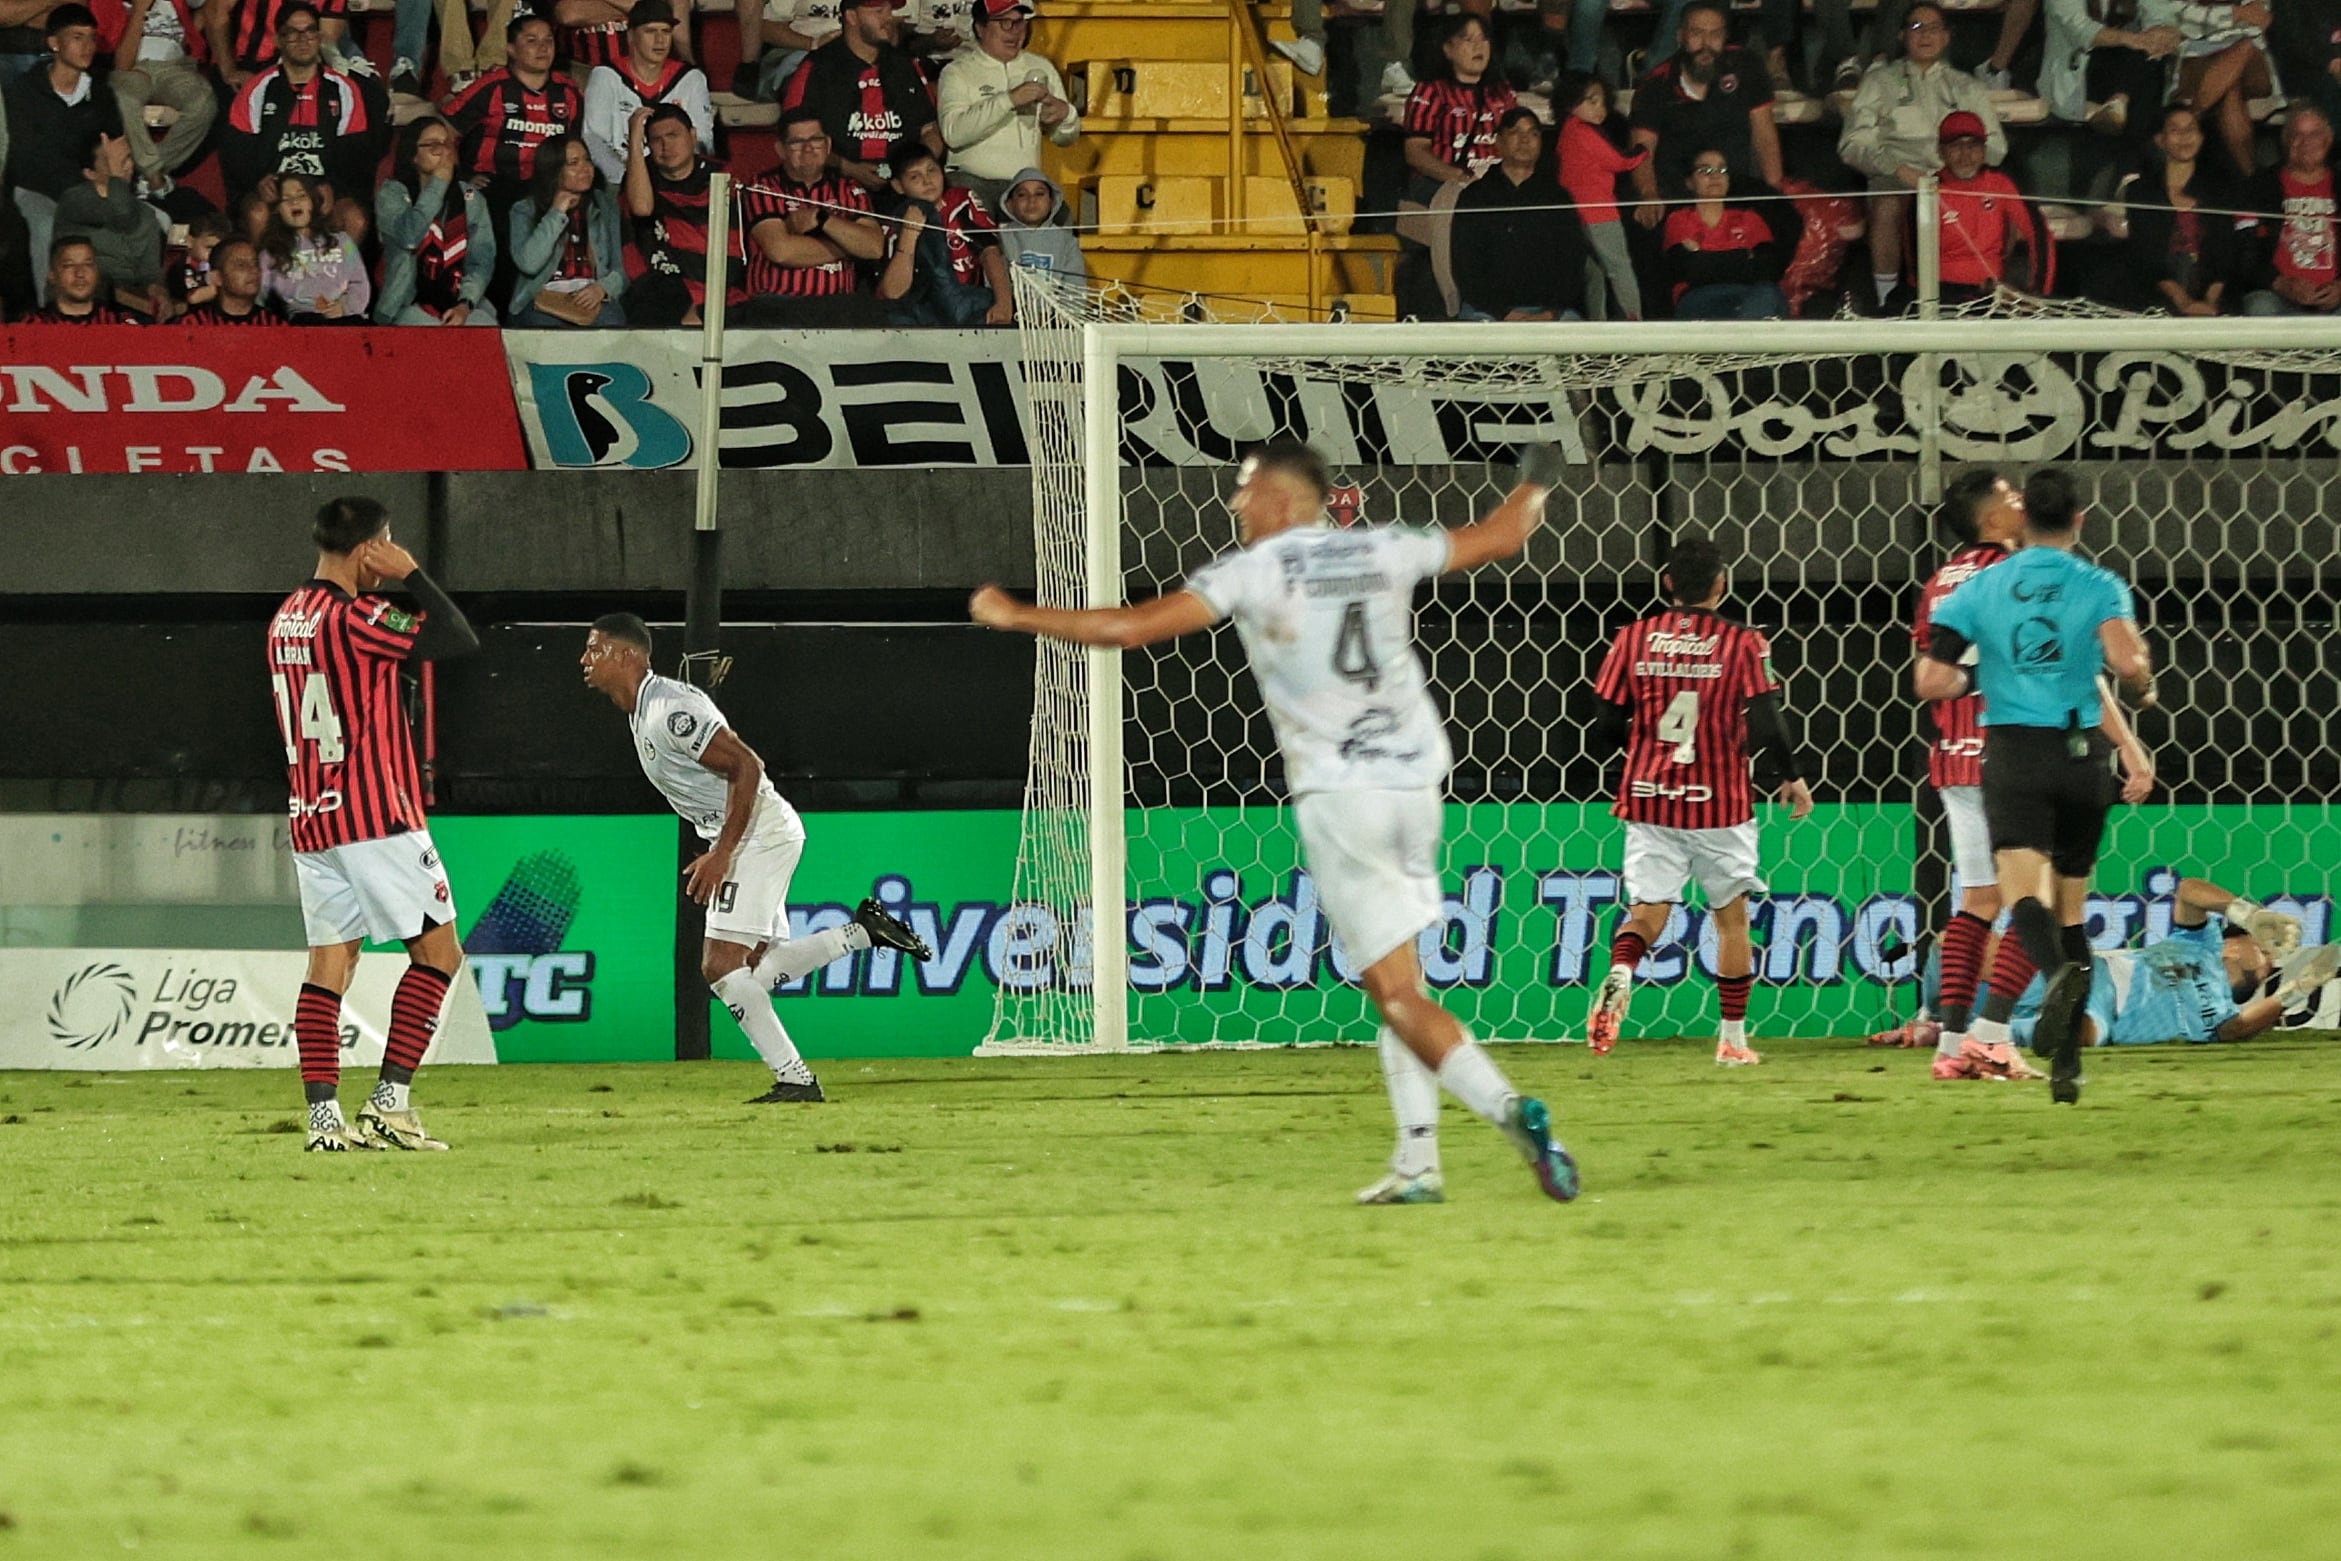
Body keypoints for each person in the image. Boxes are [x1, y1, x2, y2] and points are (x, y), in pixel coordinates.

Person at [969, 439, 1582, 1207]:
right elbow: (1501, 536)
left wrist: (1017, 613)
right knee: (1405, 978)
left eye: (1244, 489)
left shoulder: (1255, 570)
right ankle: (1417, 1161)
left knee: (1392, 991)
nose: (1234, 503)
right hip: (1416, 780)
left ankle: (1508, 1109)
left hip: (1341, 793)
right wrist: (1535, 482)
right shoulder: (1383, 547)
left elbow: (1131, 629)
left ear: (1286, 501)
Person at [580, 613, 934, 1105]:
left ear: (627, 656)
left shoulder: (667, 711)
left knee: (720, 966)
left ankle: (796, 1079)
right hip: (756, 831)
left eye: (595, 649)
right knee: (756, 970)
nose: (585, 659)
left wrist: (723, 853)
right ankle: (862, 934)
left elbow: (747, 765)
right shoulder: (644, 711)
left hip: (757, 834)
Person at [1915, 466, 2155, 1104]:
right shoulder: (2088, 583)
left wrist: (1979, 677)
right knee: (2058, 908)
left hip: (1993, 755)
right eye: (2006, 497)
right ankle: (2029, 1050)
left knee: (1995, 901)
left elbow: (1932, 677)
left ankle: (1968, 1032)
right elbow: (2117, 665)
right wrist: (2133, 725)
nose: (2015, 502)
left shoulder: (1960, 586)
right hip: (2060, 751)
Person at [267, 496, 480, 1152]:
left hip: (312, 816)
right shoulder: (358, 617)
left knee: (330, 961)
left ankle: (324, 1119)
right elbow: (454, 638)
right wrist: (413, 574)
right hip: (376, 816)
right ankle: (390, 1101)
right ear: (369, 549)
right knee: (439, 953)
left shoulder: (286, 617)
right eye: (384, 548)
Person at [1582, 534, 1816, 1065]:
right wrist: (1791, 775)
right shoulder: (1744, 642)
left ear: (1668, 584)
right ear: (1721, 584)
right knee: (1731, 919)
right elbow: (1765, 719)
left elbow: (1602, 724)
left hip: (1649, 799)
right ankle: (1732, 1041)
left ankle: (1621, 972)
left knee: (1646, 914)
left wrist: (1644, 752)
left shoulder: (1632, 639)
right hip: (1721, 803)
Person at [2004, 875, 2320, 1050]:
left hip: (2109, 1015)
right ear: (2233, 945)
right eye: (2264, 951)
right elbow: (2188, 891)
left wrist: (2303, 985)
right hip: (2097, 972)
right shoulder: (2202, 943)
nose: (2270, 961)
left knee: (2078, 1035)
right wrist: (2250, 916)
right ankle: (1963, 1008)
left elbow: (2239, 1029)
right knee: (2007, 960)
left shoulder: (2224, 1016)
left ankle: (1996, 1034)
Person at [1838, 2, 2003, 311]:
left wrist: (1959, 165)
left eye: (1934, 28)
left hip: (1955, 184)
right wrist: (1897, 168)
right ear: (1902, 35)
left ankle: (1975, 296)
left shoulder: (1967, 87)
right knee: (1887, 206)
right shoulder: (1879, 82)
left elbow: (1996, 146)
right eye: (1916, 27)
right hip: (1897, 181)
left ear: (1947, 37)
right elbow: (1852, 143)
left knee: (1993, 201)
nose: (1925, 35)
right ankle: (1887, 302)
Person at [1630, 3, 1783, 235]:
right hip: (1679, 194)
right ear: (1680, 36)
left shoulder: (1746, 66)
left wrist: (1774, 193)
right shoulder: (1655, 83)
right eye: (1696, 33)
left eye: (1715, 34)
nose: (1705, 45)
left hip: (1736, 190)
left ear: (1725, 36)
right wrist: (1650, 195)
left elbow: (1764, 135)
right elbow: (1642, 149)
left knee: (1786, 222)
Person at [5, 4, 123, 304]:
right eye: (77, 37)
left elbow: (113, 147)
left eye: (92, 38)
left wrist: (113, 185)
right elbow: (29, 161)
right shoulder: (23, 91)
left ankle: (113, 314)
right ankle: (50, 312)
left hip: (85, 188)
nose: (87, 47)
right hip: (35, 189)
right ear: (54, 43)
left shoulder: (100, 94)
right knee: (46, 227)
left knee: (150, 220)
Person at [219, 2, 376, 212]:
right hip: (274, 190)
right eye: (292, 33)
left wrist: (334, 187)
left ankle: (346, 247)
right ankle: (269, 247)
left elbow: (355, 155)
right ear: (278, 40)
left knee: (353, 218)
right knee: (258, 214)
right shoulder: (257, 88)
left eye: (310, 31)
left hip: (323, 187)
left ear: (319, 37)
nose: (303, 40)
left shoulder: (345, 89)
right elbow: (237, 152)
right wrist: (259, 181)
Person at [737, 105, 884, 324]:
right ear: (781, 149)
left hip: (838, 308)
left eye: (815, 140)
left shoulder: (848, 188)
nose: (808, 149)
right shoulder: (763, 186)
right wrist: (849, 247)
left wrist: (822, 220)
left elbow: (874, 247)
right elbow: (782, 251)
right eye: (797, 142)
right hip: (778, 306)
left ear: (828, 145)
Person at [935, 0, 1077, 214]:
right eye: (1004, 23)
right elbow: (954, 134)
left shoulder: (1041, 67)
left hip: (1024, 186)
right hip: (972, 182)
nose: (1015, 32)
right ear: (980, 28)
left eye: (1019, 22)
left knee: (1060, 216)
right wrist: (1009, 100)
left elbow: (1066, 138)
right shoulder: (957, 72)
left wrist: (1065, 115)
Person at [779, 0, 937, 191]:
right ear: (851, 17)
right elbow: (795, 143)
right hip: (835, 190)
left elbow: (930, 129)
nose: (889, 18)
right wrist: (847, 167)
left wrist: (915, 171)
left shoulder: (905, 64)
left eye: (890, 11)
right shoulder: (816, 67)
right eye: (879, 11)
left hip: (904, 189)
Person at [2096, 101, 2236, 314]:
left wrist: (2209, 302)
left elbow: (2224, 254)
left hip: (2211, 294)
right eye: (2174, 129)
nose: (2184, 136)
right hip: (2159, 294)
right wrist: (2184, 302)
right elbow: (2146, 256)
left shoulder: (2219, 189)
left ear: (2201, 137)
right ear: (2160, 140)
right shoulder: (2141, 191)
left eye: (2191, 129)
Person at [1451, 106, 1585, 322]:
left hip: (1548, 311)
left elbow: (1573, 261)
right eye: (1515, 132)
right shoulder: (1475, 196)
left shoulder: (1557, 197)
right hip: (1487, 310)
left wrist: (1550, 313)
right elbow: (1465, 266)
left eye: (1532, 133)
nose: (1525, 140)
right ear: (1499, 142)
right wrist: (1504, 313)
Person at [443, 14, 585, 207]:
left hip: (547, 185)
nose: (543, 48)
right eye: (532, 41)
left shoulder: (568, 91)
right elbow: (445, 130)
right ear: (511, 49)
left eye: (548, 40)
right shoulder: (492, 87)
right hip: (496, 184)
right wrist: (464, 175)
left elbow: (575, 143)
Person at [620, 98, 739, 326]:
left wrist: (702, 307)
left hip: (718, 292)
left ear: (693, 136)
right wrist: (635, 142)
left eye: (674, 135)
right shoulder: (641, 176)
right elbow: (642, 208)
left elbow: (734, 249)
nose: (666, 146)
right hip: (660, 294)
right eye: (656, 140)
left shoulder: (721, 177)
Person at [377, 115, 498, 324]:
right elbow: (409, 237)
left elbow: (482, 261)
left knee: (485, 326)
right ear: (413, 155)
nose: (442, 151)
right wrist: (438, 184)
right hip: (408, 303)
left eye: (446, 144)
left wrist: (465, 304)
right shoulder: (392, 193)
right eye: (433, 145)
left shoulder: (471, 198)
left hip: (461, 301)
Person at [876, 134, 1009, 325]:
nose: (927, 180)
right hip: (921, 314)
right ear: (898, 185)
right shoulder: (896, 219)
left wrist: (1003, 302)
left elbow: (989, 251)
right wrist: (910, 232)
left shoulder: (962, 200)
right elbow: (893, 291)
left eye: (932, 170)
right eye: (915, 176)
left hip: (968, 305)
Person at [92, 0, 214, 195]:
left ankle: (150, 173)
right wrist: (140, 9)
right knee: (123, 99)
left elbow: (203, 4)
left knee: (203, 101)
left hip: (174, 69)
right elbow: (122, 65)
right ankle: (155, 176)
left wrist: (194, 28)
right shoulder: (110, 5)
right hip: (135, 70)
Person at [582, 0, 709, 183]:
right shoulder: (606, 75)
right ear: (631, 36)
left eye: (665, 31)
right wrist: (630, 182)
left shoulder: (690, 78)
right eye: (650, 31)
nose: (660, 40)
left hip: (677, 182)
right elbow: (594, 141)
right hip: (619, 182)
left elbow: (702, 140)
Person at [508, 129, 625, 324]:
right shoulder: (524, 210)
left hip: (593, 295)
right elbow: (529, 263)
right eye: (573, 163)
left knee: (613, 327)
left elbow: (621, 267)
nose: (585, 168)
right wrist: (556, 213)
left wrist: (603, 288)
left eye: (587, 160)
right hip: (543, 297)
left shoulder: (605, 205)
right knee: (549, 335)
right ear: (553, 170)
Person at [1555, 71, 1646, 321]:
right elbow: (1619, 161)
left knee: (1595, 272)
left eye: (1603, 102)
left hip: (1577, 212)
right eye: (1592, 101)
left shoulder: (1566, 132)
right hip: (1599, 211)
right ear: (1572, 102)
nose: (1600, 109)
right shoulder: (1584, 132)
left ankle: (1598, 322)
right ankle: (1634, 322)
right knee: (1619, 267)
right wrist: (1642, 150)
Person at [1933, 109, 2051, 302]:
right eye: (1956, 146)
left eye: (1973, 146)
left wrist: (2037, 291)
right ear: (1941, 151)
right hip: (1944, 296)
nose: (1965, 155)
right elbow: (1914, 260)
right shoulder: (1930, 189)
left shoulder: (2000, 184)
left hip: (1993, 294)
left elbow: (2039, 233)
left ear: (1984, 150)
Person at [1660, 147, 1788, 319]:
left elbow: (1768, 269)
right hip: (1699, 298)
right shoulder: (1680, 219)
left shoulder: (1749, 218)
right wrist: (1744, 256)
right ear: (1690, 182)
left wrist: (1703, 255)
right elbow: (1689, 269)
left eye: (1722, 170)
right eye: (1705, 170)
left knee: (1769, 294)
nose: (1715, 176)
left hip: (1752, 296)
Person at [1399, 13, 1515, 200]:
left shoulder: (1503, 91)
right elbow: (1415, 152)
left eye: (1484, 39)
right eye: (1468, 39)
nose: (1479, 46)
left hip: (1496, 184)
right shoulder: (1430, 91)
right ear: (1447, 49)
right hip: (1444, 185)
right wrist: (1459, 178)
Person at [2238, 105, 2339, 319]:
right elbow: (2243, 251)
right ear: (2285, 141)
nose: (2306, 142)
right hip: (2277, 298)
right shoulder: (2258, 187)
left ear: (2328, 139)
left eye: (2314, 133)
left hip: (2335, 302)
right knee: (2260, 308)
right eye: (2297, 135)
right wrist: (2279, 282)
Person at [54, 126, 164, 315]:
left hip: (131, 300)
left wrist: (159, 293)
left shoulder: (145, 213)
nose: (127, 166)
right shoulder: (74, 200)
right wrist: (117, 177)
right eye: (113, 162)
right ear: (90, 173)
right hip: (87, 297)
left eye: (128, 158)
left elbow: (150, 272)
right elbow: (121, 216)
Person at [2040, 0, 2179, 147]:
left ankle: (2117, 105)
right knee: (2141, 55)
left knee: (2148, 57)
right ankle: (2117, 108)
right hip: (2082, 75)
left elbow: (2161, 14)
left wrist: (2164, 32)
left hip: (2133, 73)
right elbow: (2080, 29)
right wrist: (2135, 39)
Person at [2166, 0, 2274, 179]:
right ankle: (2251, 180)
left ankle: (2192, 116)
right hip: (2197, 58)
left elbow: (2260, 19)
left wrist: (2213, 19)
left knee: (2245, 48)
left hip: (2250, 59)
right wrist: (2236, 14)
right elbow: (2179, 18)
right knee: (2230, 87)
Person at [257, 168, 369, 320]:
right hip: (301, 322)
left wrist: (345, 308)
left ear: (313, 202)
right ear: (278, 210)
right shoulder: (270, 253)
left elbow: (359, 281)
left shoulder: (344, 242)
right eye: (286, 198)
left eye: (301, 195)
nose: (294, 202)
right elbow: (261, 296)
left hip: (343, 318)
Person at [23, 231, 141, 318]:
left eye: (88, 264)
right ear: (52, 275)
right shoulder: (32, 327)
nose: (80, 273)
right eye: (69, 265)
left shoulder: (119, 323)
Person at [182, 231, 282, 320]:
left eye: (255, 264)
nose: (253, 270)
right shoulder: (192, 324)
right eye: (241, 265)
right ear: (217, 277)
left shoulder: (276, 326)